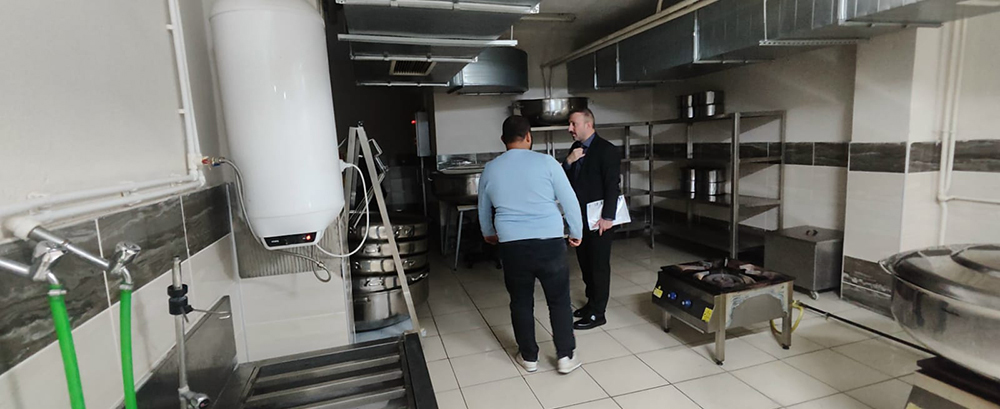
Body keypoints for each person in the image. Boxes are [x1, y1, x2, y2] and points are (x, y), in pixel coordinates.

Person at [479, 115, 584, 375]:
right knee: (559, 300)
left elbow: (483, 206)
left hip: (512, 244)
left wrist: (488, 232)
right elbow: (569, 200)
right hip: (550, 242)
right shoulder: (547, 163)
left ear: (503, 140)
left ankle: (529, 357)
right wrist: (576, 231)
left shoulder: (491, 168)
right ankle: (565, 357)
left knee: (521, 301)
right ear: (529, 136)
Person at [562, 108, 621, 330]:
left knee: (598, 266)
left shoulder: (607, 150)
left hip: (599, 219)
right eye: (570, 124)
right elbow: (564, 181)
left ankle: (598, 312)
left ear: (588, 124)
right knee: (585, 263)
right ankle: (590, 303)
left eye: (573, 124)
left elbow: (612, 185)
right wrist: (569, 161)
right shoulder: (575, 149)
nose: (570, 128)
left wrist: (608, 217)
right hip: (580, 218)